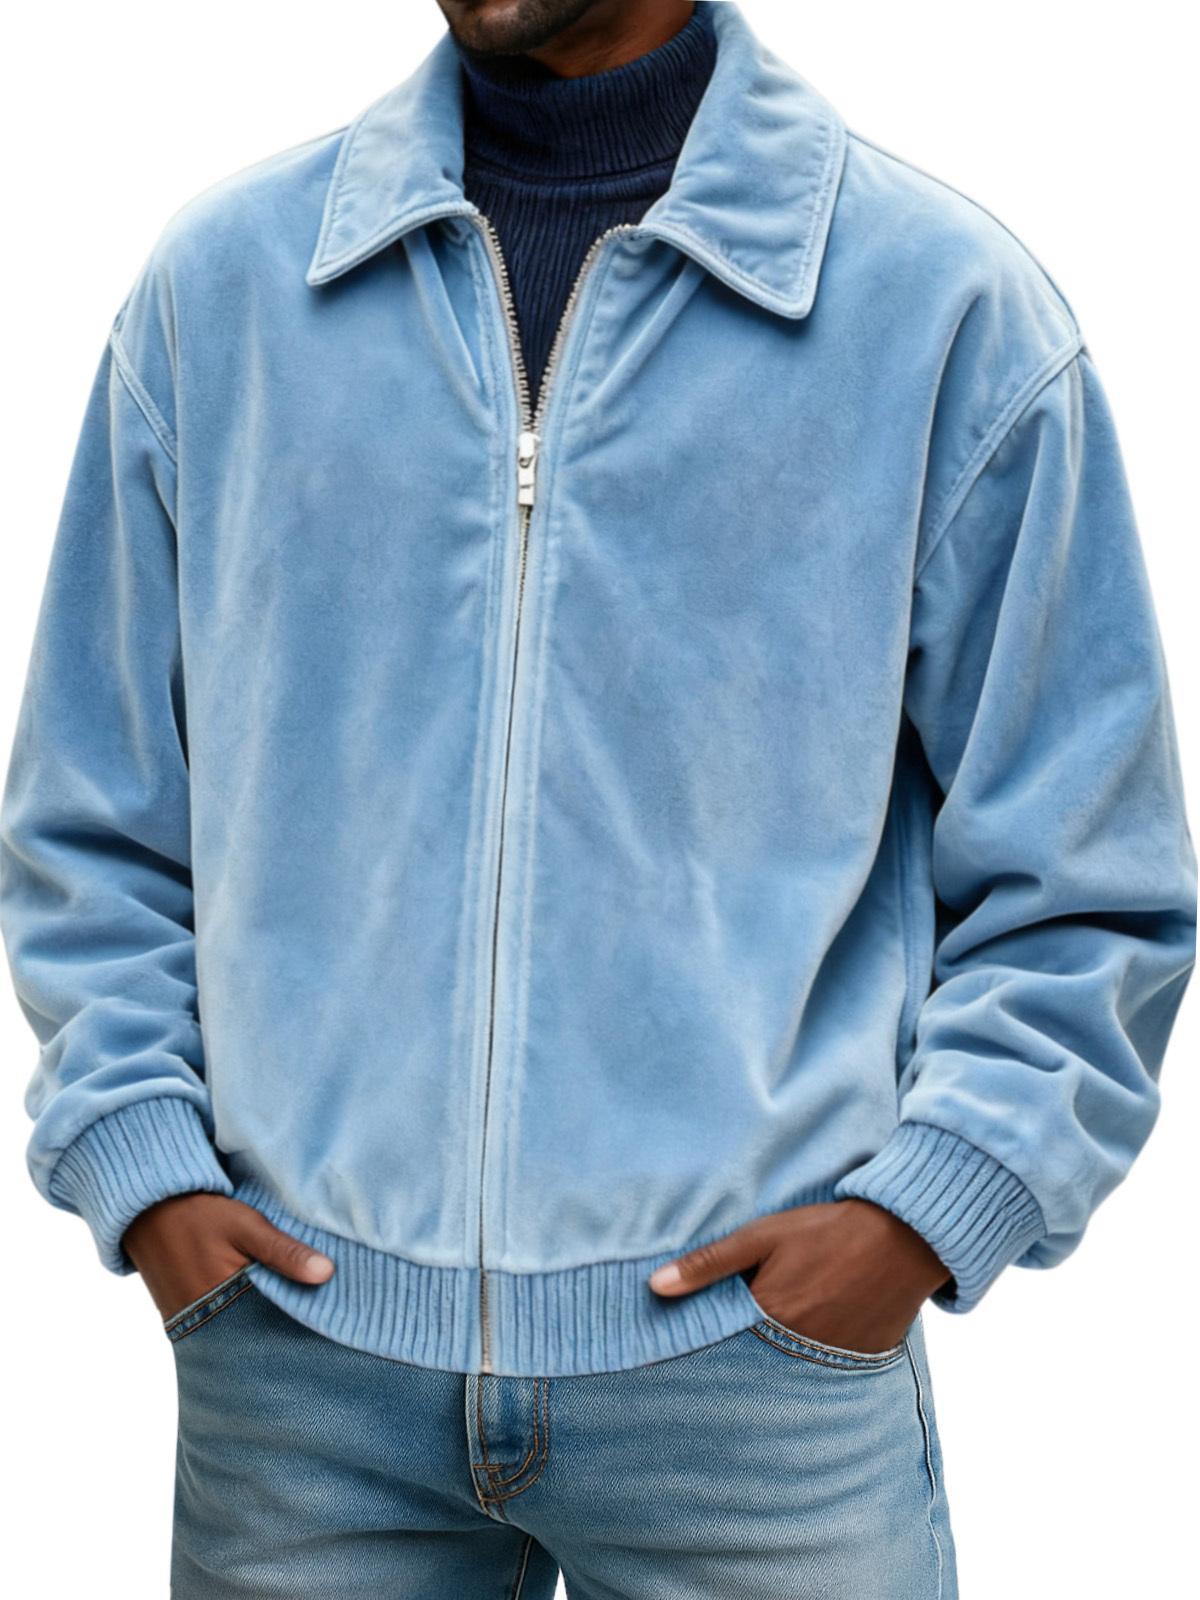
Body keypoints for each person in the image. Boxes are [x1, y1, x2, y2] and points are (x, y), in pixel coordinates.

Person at [1, 0, 1194, 1594]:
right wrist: (146, 1168)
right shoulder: (223, 293)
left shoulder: (937, 308)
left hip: (757, 1400)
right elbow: (91, 817)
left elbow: (1089, 874)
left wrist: (921, 1221)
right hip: (297, 1382)